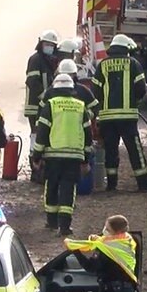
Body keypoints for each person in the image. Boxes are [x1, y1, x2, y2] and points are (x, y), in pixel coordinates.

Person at [91, 34, 147, 192]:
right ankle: (144, 184)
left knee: (111, 150)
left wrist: (104, 105)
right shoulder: (134, 64)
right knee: (135, 150)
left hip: (107, 116)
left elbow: (96, 90)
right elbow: (141, 89)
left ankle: (111, 185)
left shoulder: (103, 65)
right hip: (127, 116)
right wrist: (133, 102)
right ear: (127, 48)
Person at [30, 74, 92, 234]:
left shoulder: (50, 105)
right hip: (74, 157)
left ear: (55, 89)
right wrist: (86, 159)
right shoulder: (80, 106)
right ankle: (65, 226)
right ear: (72, 89)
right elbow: (87, 133)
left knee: (51, 186)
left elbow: (42, 132)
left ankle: (51, 222)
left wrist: (36, 156)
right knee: (68, 189)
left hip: (53, 155)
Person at [25, 30, 59, 131]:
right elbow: (32, 82)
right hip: (35, 106)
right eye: (47, 44)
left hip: (46, 106)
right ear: (41, 44)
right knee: (36, 134)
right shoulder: (35, 59)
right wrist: (44, 96)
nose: (49, 47)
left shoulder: (50, 60)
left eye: (51, 45)